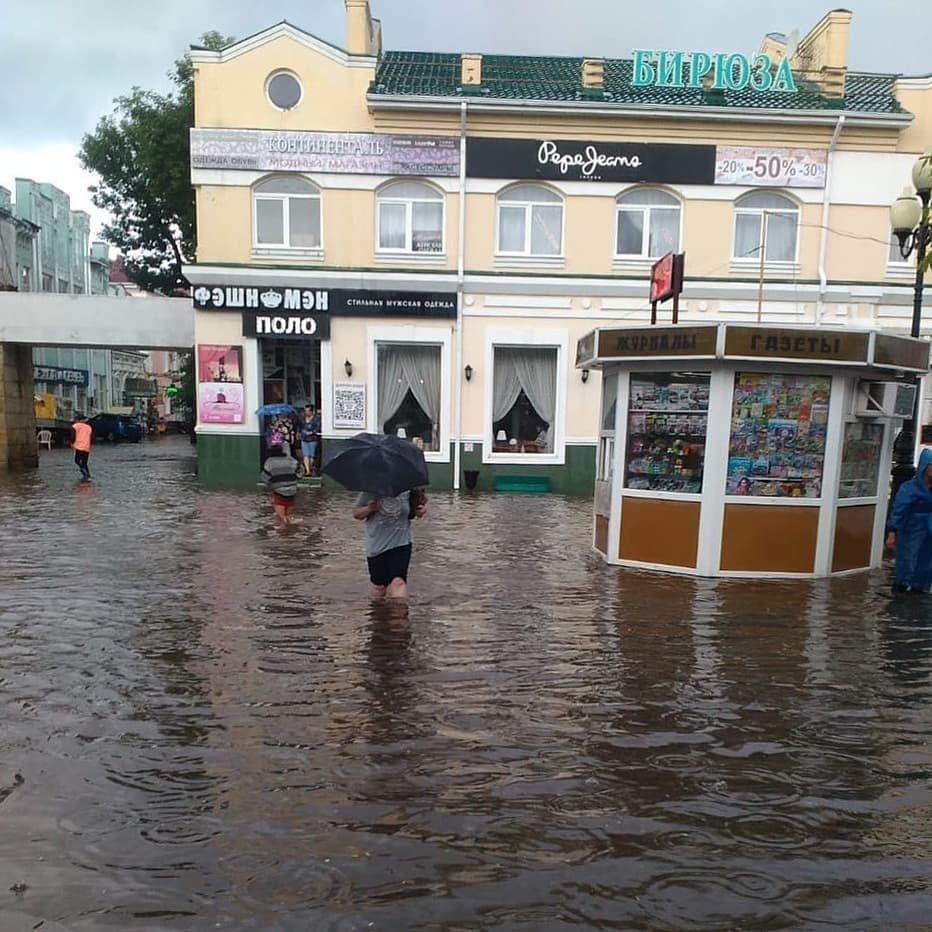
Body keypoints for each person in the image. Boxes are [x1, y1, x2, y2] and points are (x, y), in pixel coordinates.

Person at [353, 489, 427, 599]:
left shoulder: (409, 491)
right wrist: (369, 508)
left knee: (398, 582)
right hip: (377, 545)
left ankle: (399, 615)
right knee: (379, 587)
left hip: (401, 543)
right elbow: (356, 514)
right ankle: (378, 613)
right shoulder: (371, 491)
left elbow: (418, 511)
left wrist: (421, 510)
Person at [886, 447, 932, 593]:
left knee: (927, 562)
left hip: (930, 531)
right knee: (908, 559)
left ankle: (920, 588)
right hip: (911, 530)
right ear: (925, 466)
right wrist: (892, 533)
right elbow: (899, 511)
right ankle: (901, 587)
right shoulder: (909, 488)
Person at [261, 443, 300, 526]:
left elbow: (265, 477)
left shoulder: (270, 461)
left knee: (281, 518)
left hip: (279, 491)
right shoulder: (291, 460)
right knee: (287, 516)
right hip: (292, 490)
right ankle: (290, 534)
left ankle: (284, 534)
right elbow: (300, 472)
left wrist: (270, 484)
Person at [300, 405, 321, 477]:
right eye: (305, 411)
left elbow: (318, 428)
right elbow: (300, 427)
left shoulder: (316, 419)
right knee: (305, 455)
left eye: (308, 411)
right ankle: (307, 471)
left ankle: (310, 468)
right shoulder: (302, 419)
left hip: (312, 439)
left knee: (311, 455)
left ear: (312, 411)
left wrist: (312, 432)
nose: (306, 412)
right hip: (304, 438)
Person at [71, 414, 93, 480]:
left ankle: (85, 474)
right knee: (85, 462)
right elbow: (91, 437)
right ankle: (87, 474)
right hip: (86, 446)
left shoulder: (75, 426)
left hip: (79, 445)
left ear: (78, 420)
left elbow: (73, 436)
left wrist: (72, 443)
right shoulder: (89, 427)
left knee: (77, 460)